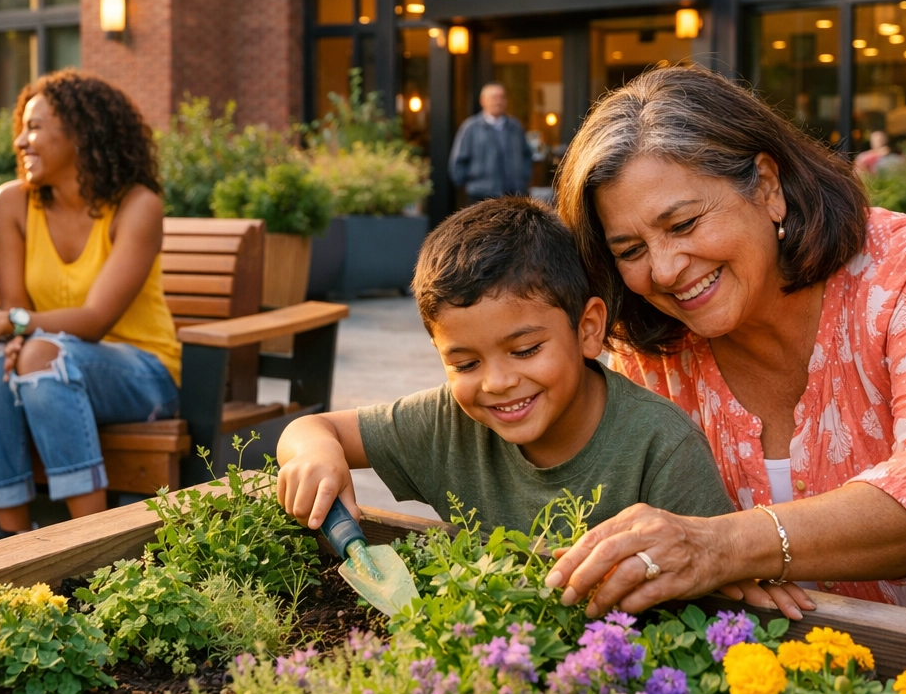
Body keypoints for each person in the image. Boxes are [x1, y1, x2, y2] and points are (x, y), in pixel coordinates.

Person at [546, 65, 906, 645]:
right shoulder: (653, 349)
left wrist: (720, 547)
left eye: (684, 223)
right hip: (849, 692)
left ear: (768, 188)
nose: (666, 269)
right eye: (631, 249)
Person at [276, 196, 734, 536]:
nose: (497, 382)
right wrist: (316, 454)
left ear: (588, 329)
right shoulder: (446, 423)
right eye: (466, 362)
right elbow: (313, 430)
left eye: (526, 350)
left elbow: (718, 582)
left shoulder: (662, 446)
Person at [0, 70, 180, 535]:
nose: (21, 142)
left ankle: (92, 552)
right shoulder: (12, 203)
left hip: (143, 373)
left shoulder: (137, 206)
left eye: (35, 128)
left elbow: (94, 320)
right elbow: (17, 311)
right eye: (21, 129)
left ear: (82, 133)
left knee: (42, 355)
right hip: (45, 357)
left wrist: (4, 326)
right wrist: (6, 333)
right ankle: (14, 548)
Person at [448, 82, 533, 203]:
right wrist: (472, 185)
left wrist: (523, 179)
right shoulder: (471, 128)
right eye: (494, 97)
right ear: (483, 101)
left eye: (502, 97)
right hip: (480, 198)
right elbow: (458, 163)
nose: (498, 101)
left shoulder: (515, 127)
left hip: (514, 197)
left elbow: (526, 155)